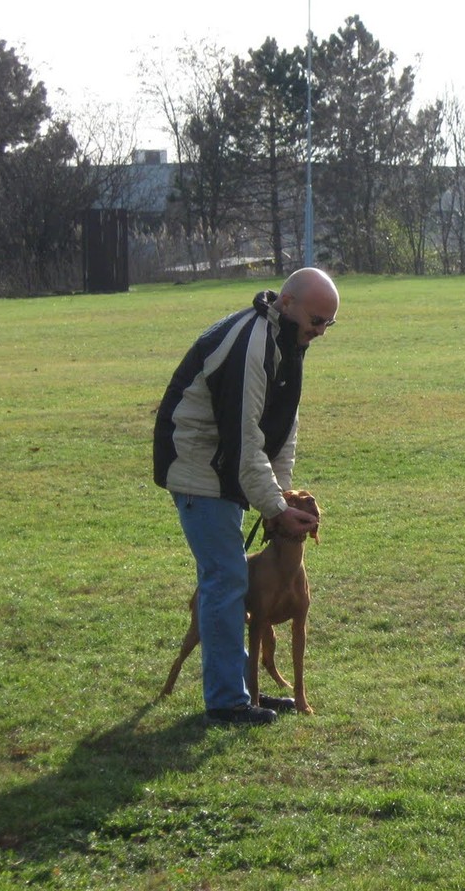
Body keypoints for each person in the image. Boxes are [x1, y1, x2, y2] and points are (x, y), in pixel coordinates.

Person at [154, 268, 339, 724]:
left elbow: (283, 429)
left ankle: (244, 690)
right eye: (316, 320)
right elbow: (243, 440)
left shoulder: (287, 343)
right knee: (225, 579)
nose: (320, 331)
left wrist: (280, 494)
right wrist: (275, 507)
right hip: (199, 469)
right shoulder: (251, 345)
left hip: (224, 470)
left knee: (230, 579)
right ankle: (227, 702)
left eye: (328, 324)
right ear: (288, 304)